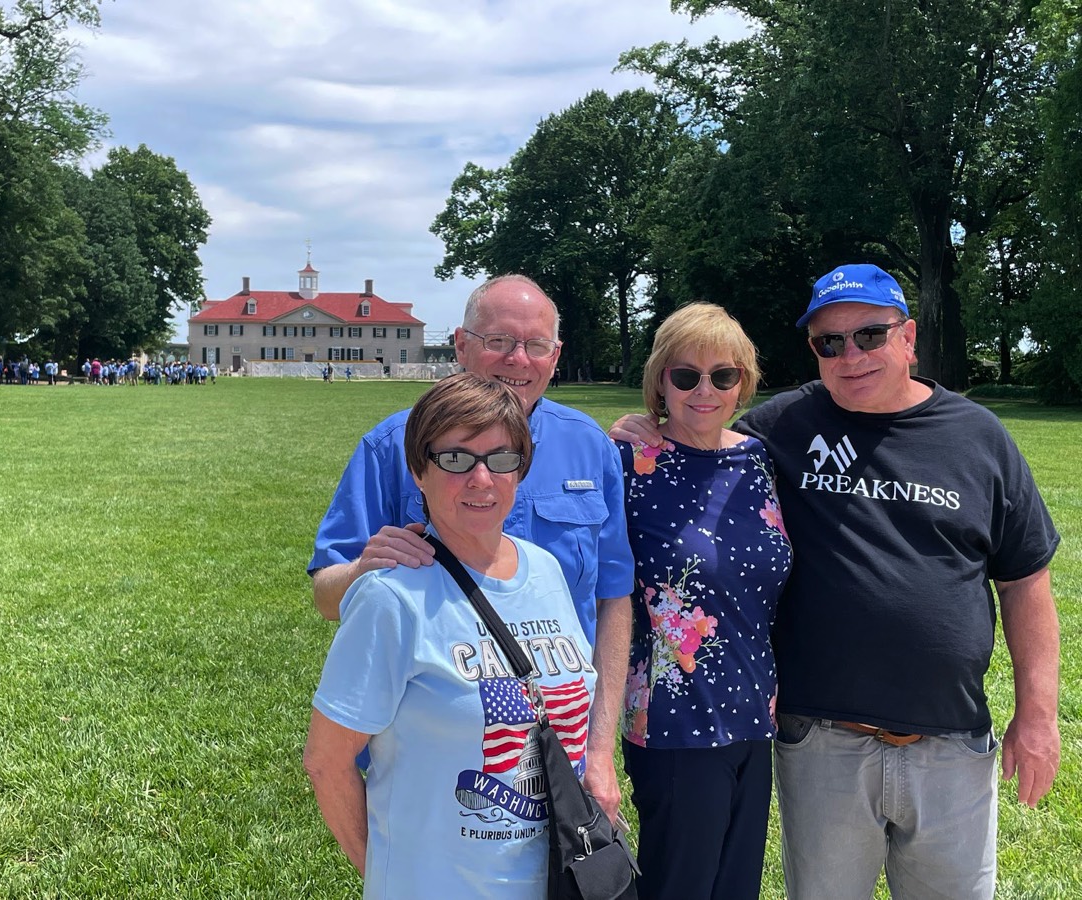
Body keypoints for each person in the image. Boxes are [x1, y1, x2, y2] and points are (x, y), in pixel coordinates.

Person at [611, 264, 1060, 899]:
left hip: (951, 745)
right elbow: (698, 430)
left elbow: (1025, 579)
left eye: (870, 336)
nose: (851, 355)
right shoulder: (782, 430)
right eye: (830, 342)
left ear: (907, 338)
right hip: (821, 744)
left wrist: (1038, 716)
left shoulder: (978, 436)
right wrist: (640, 428)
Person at [309, 274, 634, 821]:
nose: (518, 360)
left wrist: (600, 752)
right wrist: (365, 567)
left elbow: (613, 599)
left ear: (556, 356)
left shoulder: (590, 448)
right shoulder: (396, 445)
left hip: (563, 749)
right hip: (437, 761)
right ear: (461, 345)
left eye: (535, 345)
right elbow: (326, 594)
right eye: (499, 341)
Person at [304, 373, 599, 897]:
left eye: (502, 458)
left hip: (559, 880)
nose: (482, 478)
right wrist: (387, 875)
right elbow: (326, 762)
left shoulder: (547, 570)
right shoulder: (392, 597)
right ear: (419, 469)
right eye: (457, 459)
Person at [617, 303, 791, 900]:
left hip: (754, 715)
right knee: (680, 885)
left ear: (743, 382)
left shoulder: (758, 460)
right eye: (685, 375)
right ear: (659, 381)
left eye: (723, 375)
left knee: (737, 886)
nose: (704, 390)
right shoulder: (628, 462)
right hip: (673, 722)